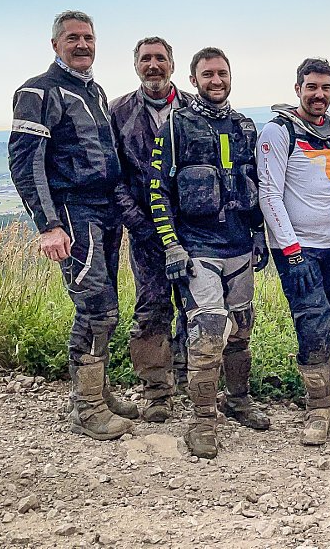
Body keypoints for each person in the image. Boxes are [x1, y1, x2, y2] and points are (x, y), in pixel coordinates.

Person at [9, 10, 136, 440]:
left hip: (105, 212)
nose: (83, 45)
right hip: (71, 212)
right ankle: (86, 408)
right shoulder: (37, 91)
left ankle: (96, 391)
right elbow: (25, 163)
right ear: (55, 45)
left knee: (108, 306)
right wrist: (48, 225)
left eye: (88, 38)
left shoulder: (94, 91)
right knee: (96, 308)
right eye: (73, 38)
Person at [151, 47, 271, 459]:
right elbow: (158, 190)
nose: (216, 81)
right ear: (194, 80)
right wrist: (171, 244)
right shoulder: (176, 125)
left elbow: (255, 183)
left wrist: (259, 233)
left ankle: (238, 400)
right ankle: (202, 421)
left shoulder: (244, 126)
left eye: (222, 73)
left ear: (231, 76)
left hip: (239, 245)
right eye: (208, 74)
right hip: (198, 247)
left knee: (241, 329)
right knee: (208, 332)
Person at [257, 58, 330, 446]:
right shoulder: (278, 130)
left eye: (325, 87)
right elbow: (269, 193)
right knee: (313, 320)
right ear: (297, 88)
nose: (319, 94)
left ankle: (326, 400)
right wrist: (292, 250)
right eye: (311, 87)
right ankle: (318, 409)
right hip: (297, 248)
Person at [109, 36, 192, 421]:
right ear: (136, 65)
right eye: (146, 59)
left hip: (193, 229)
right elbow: (113, 176)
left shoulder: (193, 107)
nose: (153, 65)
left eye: (160, 58)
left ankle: (193, 381)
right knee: (152, 309)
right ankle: (157, 391)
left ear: (172, 64)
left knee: (196, 306)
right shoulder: (118, 112)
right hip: (145, 230)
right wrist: (140, 225)